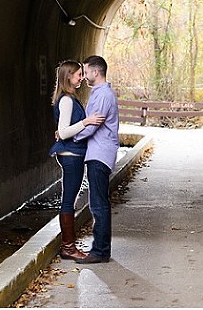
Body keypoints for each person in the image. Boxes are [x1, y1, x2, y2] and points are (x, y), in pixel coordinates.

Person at [50, 60, 104, 262]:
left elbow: (63, 130)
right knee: (68, 201)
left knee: (69, 199)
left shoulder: (69, 99)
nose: (81, 78)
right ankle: (68, 247)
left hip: (73, 154)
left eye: (82, 74)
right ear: (68, 77)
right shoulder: (66, 100)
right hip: (71, 156)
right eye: (78, 74)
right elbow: (64, 132)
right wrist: (87, 121)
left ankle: (69, 245)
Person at [73, 55, 120, 264]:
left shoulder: (102, 96)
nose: (83, 76)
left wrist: (71, 136)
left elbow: (93, 125)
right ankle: (100, 249)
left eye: (85, 71)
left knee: (99, 203)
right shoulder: (100, 93)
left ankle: (100, 251)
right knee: (98, 202)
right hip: (99, 152)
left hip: (100, 154)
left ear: (96, 72)